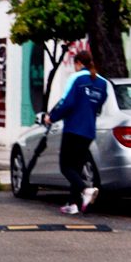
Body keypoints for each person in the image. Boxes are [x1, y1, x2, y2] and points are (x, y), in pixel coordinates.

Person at [45, 50, 107, 214]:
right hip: (88, 130)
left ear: (78, 63)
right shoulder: (102, 82)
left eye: (75, 64)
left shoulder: (76, 78)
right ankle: (73, 204)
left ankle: (85, 190)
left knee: (65, 166)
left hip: (73, 128)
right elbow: (99, 103)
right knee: (76, 167)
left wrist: (52, 117)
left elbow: (67, 102)